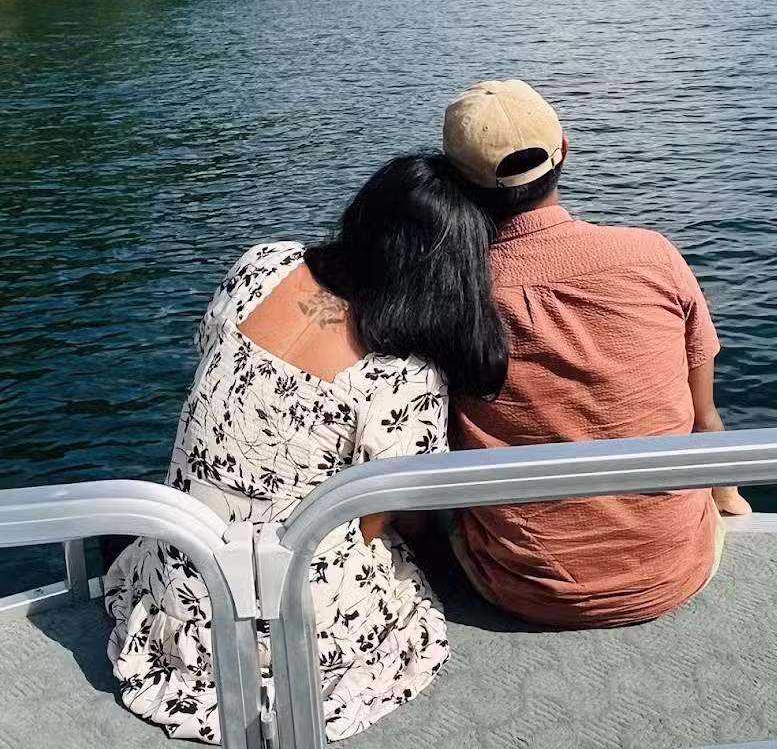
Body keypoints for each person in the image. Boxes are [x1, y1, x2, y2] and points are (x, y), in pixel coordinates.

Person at [104, 154, 507, 744]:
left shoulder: (261, 265)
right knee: (401, 567)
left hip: (183, 577)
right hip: (284, 625)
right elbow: (377, 521)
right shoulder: (402, 375)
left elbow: (207, 352)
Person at [442, 79, 750, 630]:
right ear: (566, 148)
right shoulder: (651, 256)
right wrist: (729, 500)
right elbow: (704, 416)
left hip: (520, 587)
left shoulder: (450, 296)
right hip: (676, 567)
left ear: (455, 184)